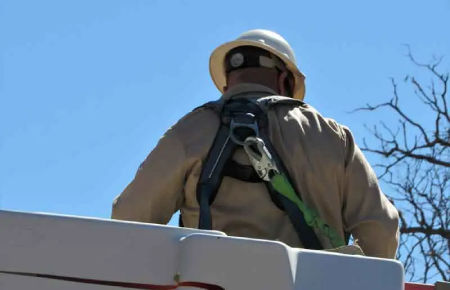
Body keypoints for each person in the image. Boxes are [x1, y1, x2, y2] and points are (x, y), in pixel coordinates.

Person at [111, 29, 400, 258]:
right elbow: (381, 231)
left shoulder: (190, 131)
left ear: (227, 86)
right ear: (285, 81)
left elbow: (129, 218)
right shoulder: (332, 137)